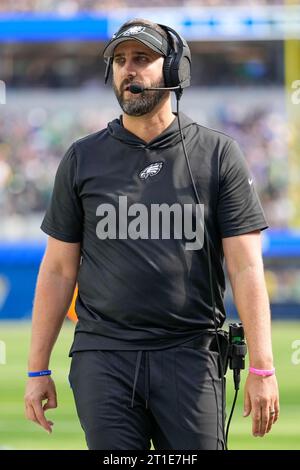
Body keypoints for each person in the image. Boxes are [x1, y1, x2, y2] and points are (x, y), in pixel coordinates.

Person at [25, 18, 279, 450]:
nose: (129, 70)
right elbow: (57, 270)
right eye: (120, 61)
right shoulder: (82, 158)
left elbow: (246, 265)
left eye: (142, 59)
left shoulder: (219, 155)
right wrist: (36, 370)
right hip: (103, 355)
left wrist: (262, 368)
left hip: (191, 355)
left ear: (176, 69)